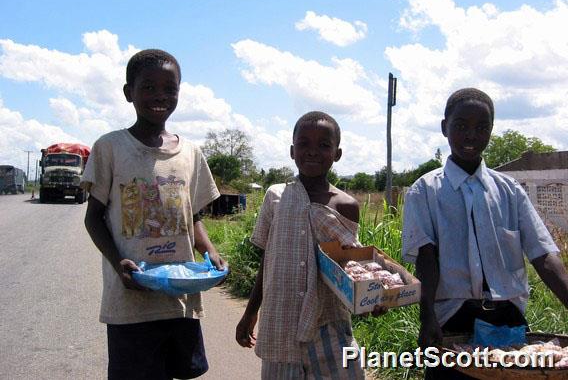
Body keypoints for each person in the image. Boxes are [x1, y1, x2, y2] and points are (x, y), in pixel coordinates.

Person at [402, 88, 568, 379]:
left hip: (509, 320)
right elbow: (427, 258)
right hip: (452, 320)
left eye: (481, 128)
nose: (471, 135)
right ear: (445, 128)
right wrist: (426, 316)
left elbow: (543, 255)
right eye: (461, 126)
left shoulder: (510, 191)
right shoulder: (425, 191)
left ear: (491, 131)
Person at [83, 49, 226, 380]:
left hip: (179, 301)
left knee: (181, 372)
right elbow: (93, 218)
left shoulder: (190, 153)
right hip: (131, 301)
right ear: (128, 92)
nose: (160, 96)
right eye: (148, 87)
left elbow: (193, 216)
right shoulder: (111, 148)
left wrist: (209, 249)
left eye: (170, 88)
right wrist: (119, 263)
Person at [235, 111, 385, 380]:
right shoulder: (276, 197)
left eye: (324, 145)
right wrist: (250, 312)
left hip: (327, 323)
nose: (313, 151)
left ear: (337, 154)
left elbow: (350, 265)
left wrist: (371, 298)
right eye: (304, 144)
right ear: (292, 151)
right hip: (280, 321)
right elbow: (268, 260)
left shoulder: (346, 205)